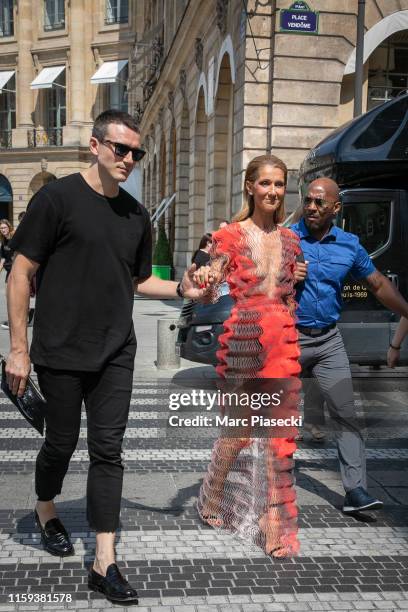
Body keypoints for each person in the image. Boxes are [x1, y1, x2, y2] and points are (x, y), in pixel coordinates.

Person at [5, 109, 207, 605]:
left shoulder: (136, 217)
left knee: (108, 451)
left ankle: (104, 560)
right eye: (121, 149)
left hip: (116, 350)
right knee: (60, 442)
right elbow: (20, 273)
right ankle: (47, 508)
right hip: (59, 348)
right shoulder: (55, 200)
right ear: (95, 146)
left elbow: (140, 281)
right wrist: (17, 349)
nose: (130, 160)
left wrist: (183, 288)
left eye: (136, 153)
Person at [195, 154, 301, 557]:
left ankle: (273, 522)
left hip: (282, 343)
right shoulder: (230, 235)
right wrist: (205, 279)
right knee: (238, 435)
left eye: (279, 184)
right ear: (250, 186)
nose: (273, 191)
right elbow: (209, 283)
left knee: (279, 439)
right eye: (266, 183)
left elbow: (290, 293)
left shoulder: (292, 240)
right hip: (244, 340)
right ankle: (212, 494)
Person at [292, 178, 408, 513]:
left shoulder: (349, 245)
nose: (311, 207)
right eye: (308, 201)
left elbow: (377, 284)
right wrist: (285, 274)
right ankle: (265, 481)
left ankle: (356, 491)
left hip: (329, 341)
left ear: (335, 208)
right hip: (289, 338)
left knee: (345, 414)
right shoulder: (286, 239)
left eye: (319, 203)